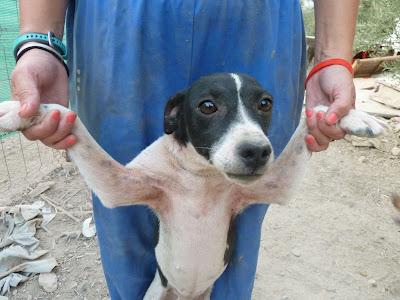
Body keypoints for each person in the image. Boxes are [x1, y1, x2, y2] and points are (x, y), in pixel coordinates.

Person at [11, 1, 359, 298]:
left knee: (245, 208)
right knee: (126, 234)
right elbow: (115, 188)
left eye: (264, 104)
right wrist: (41, 42)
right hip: (120, 20)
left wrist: (333, 58)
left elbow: (277, 186)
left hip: (256, 17)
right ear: (172, 116)